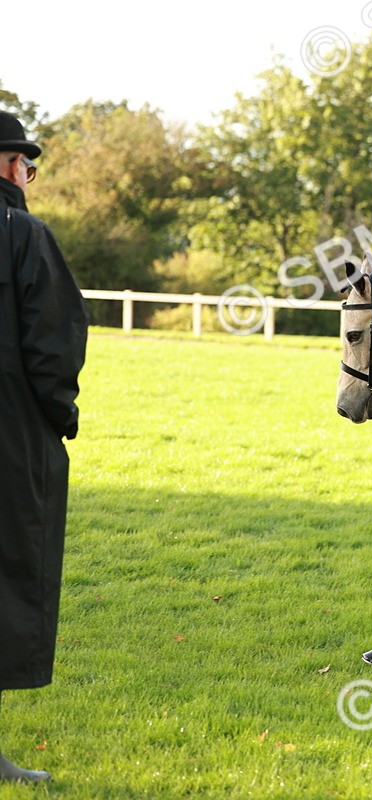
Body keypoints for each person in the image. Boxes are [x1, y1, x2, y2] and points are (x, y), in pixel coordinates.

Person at [0, 111, 88, 783]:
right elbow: (52, 346)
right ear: (8, 165)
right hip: (9, 442)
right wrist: (61, 416)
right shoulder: (23, 235)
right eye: (27, 166)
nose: (28, 179)